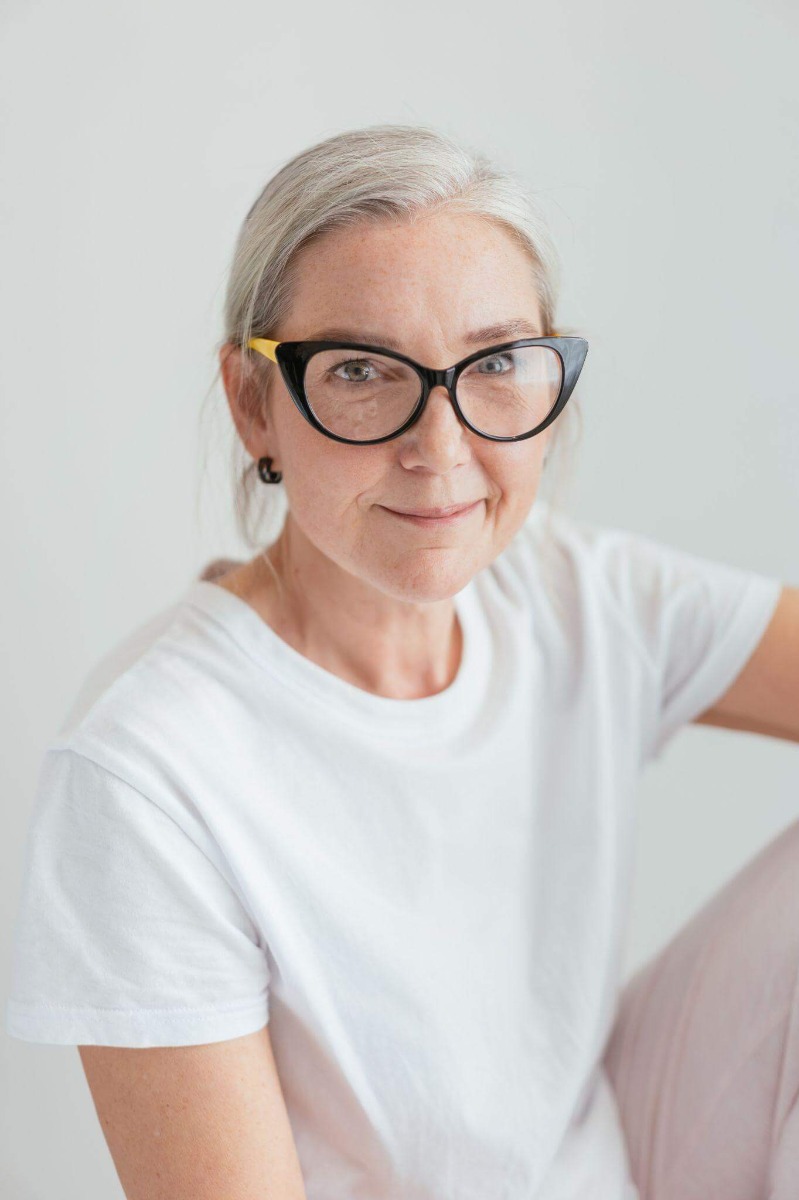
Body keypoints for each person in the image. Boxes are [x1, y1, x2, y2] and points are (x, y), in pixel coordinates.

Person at [5, 123, 797, 1200]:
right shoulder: (147, 774)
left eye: (498, 363)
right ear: (254, 404)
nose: (442, 449)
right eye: (364, 372)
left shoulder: (572, 593)